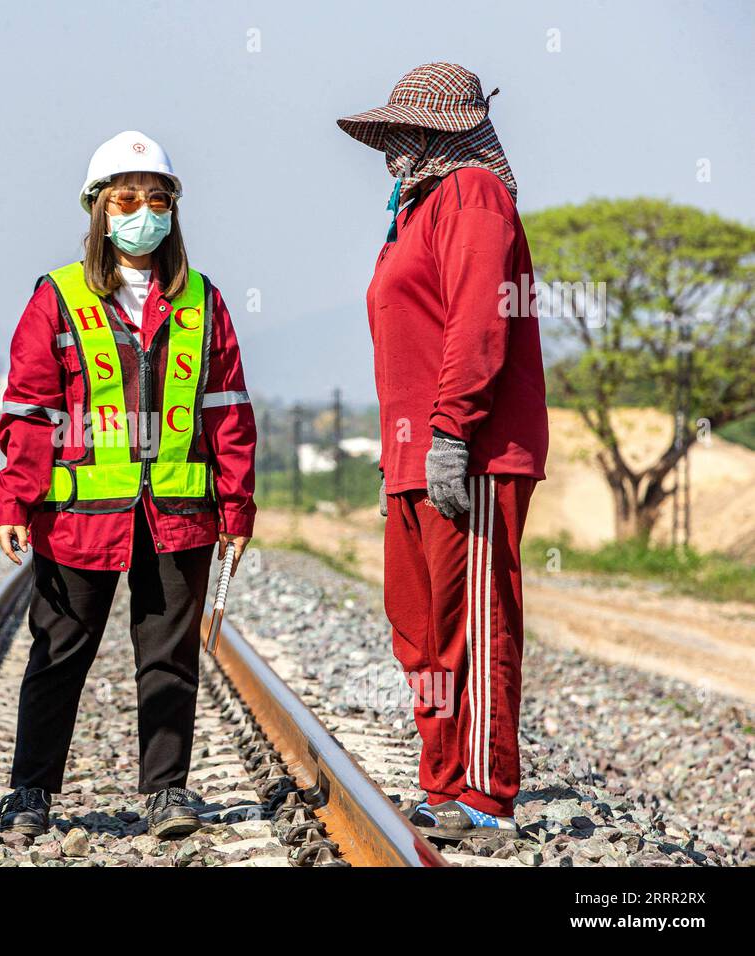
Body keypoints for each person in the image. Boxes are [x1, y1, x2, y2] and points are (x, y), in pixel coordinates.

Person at [0, 131, 257, 839]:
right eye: (128, 198)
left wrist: (237, 503)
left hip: (178, 513)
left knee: (169, 660)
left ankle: (167, 792)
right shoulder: (58, 295)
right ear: (100, 210)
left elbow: (227, 409)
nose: (144, 211)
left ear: (174, 210)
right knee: (58, 656)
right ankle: (28, 793)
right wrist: (14, 499)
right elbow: (29, 409)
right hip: (79, 517)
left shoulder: (203, 300)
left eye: (157, 198)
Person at [336, 63, 548, 840]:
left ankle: (484, 796)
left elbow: (478, 322)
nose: (393, 149)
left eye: (407, 133)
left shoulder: (472, 196)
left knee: (477, 622)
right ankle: (440, 779)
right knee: (419, 629)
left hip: (473, 452)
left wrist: (452, 433)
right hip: (411, 457)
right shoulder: (418, 207)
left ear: (442, 134)